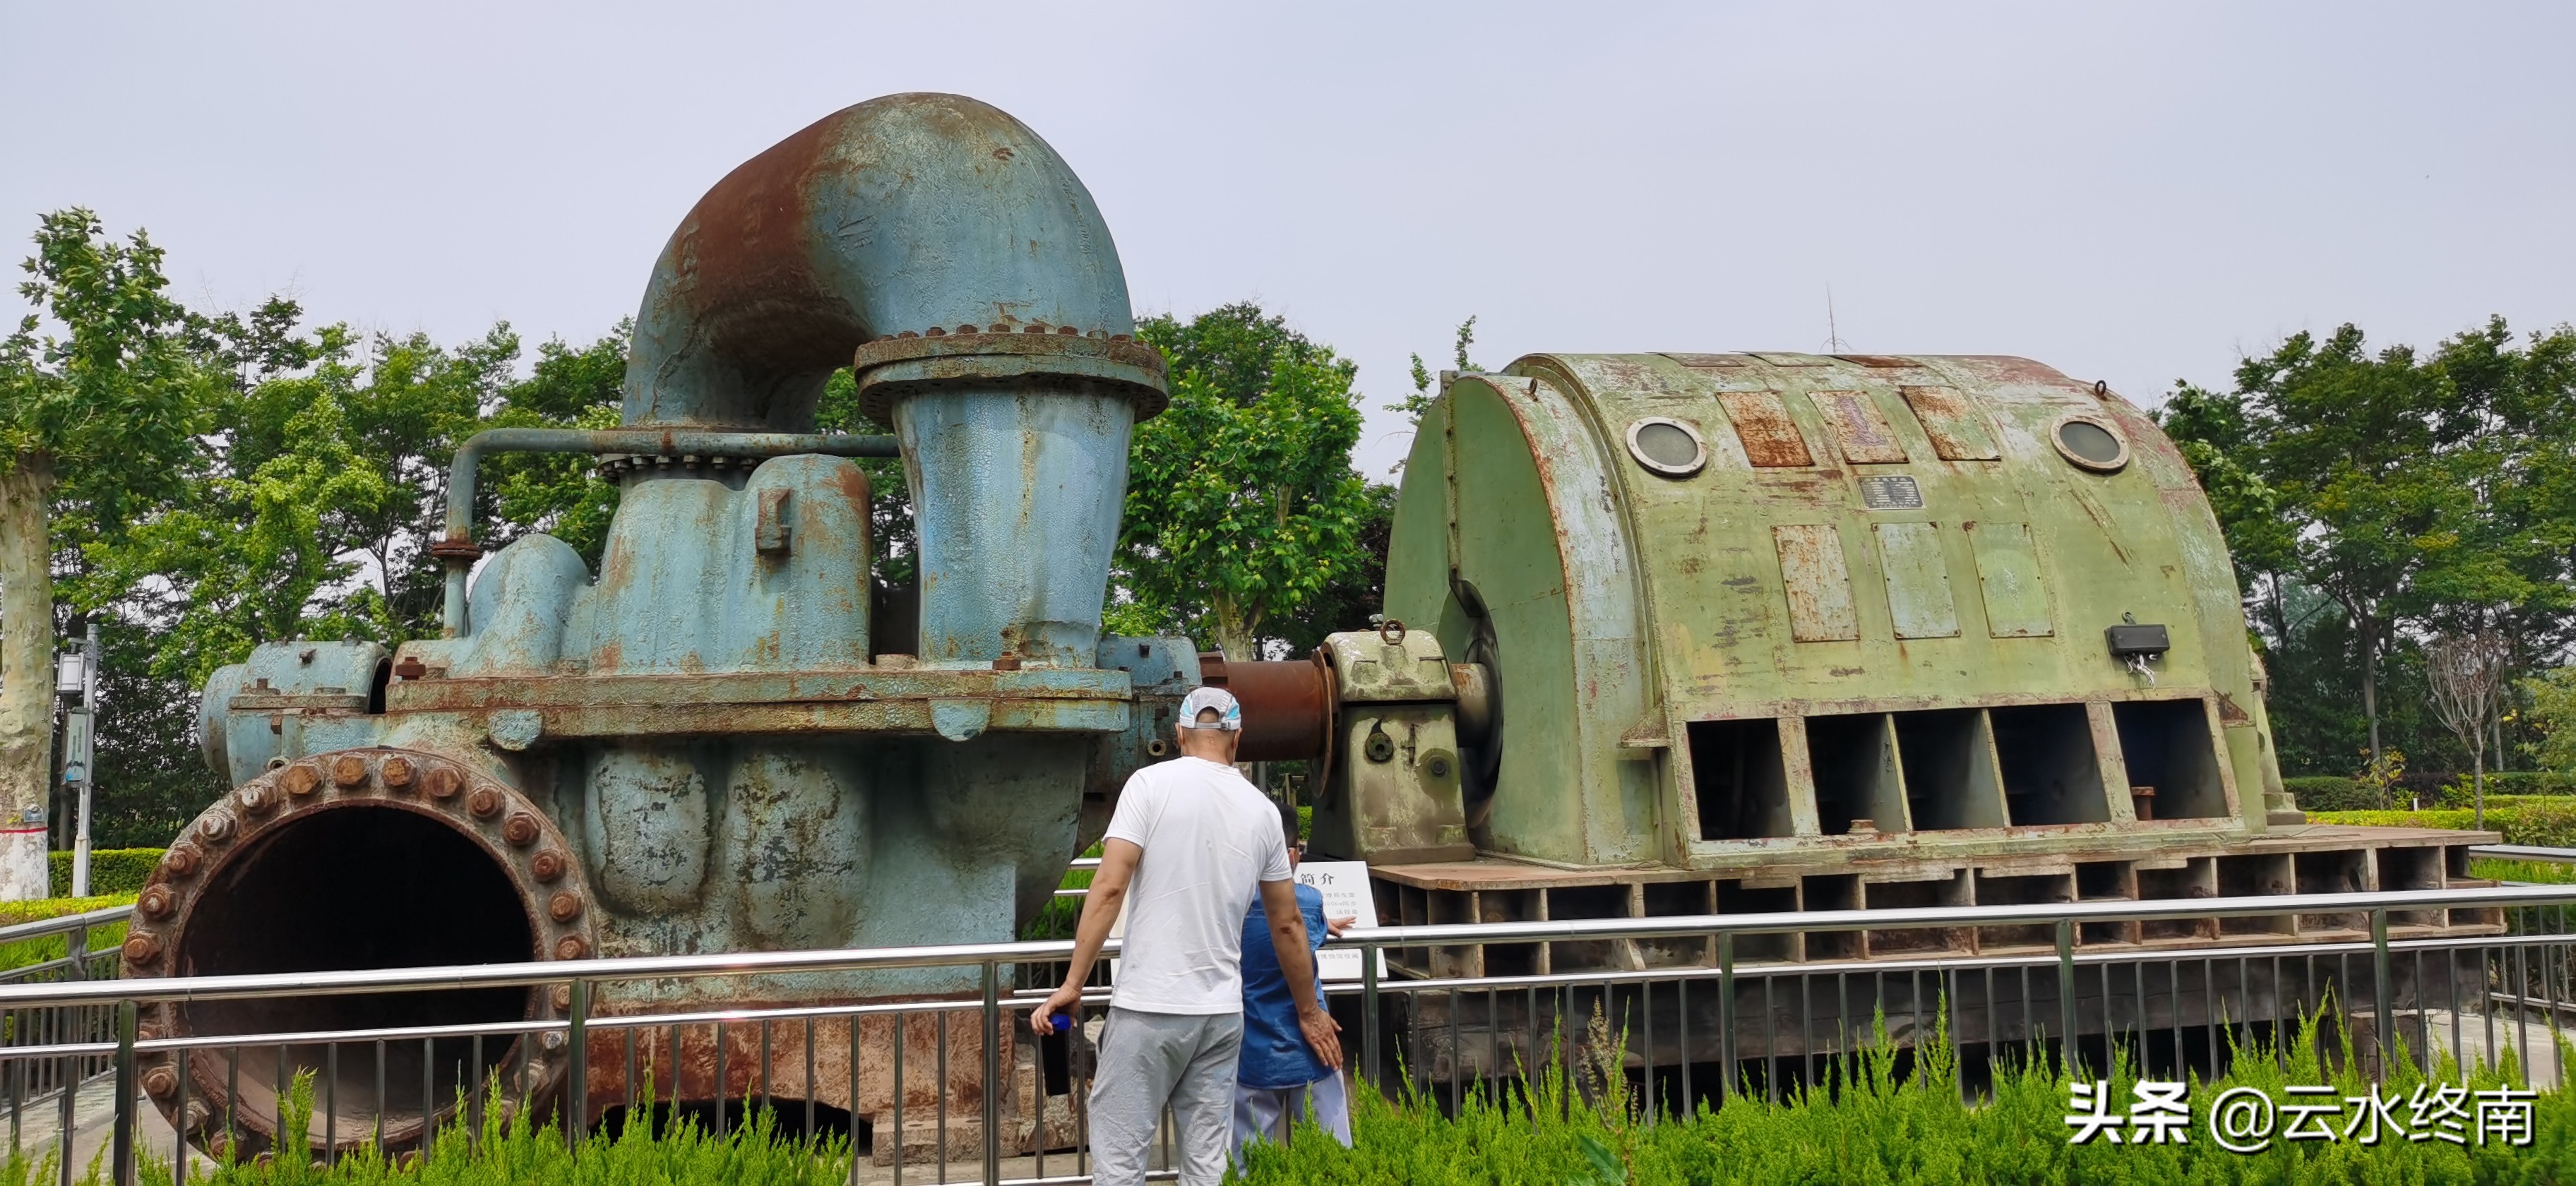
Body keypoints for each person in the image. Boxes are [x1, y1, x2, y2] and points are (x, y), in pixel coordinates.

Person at [1030, 686, 1342, 1186]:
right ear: (1237, 737)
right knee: (1205, 1164)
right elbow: (1287, 923)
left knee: (1120, 1159)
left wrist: (1073, 985)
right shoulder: (1262, 811)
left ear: (1178, 733)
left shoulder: (1149, 786)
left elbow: (1109, 887)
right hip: (1220, 1016)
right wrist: (1309, 1012)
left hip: (1149, 1009)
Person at [1231, 803, 1358, 1163]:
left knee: (1249, 1163)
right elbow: (1296, 924)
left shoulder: (1232, 905)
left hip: (1251, 1051)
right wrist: (1321, 922)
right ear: (1290, 855)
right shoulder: (1308, 901)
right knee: (1330, 1157)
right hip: (1312, 1048)